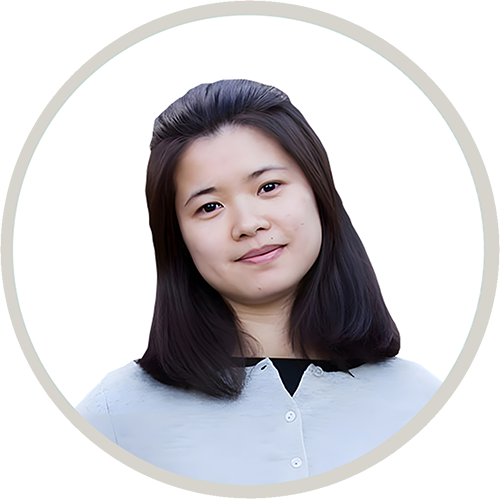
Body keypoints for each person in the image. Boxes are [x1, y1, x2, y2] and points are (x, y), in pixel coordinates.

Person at [76, 79, 441, 485]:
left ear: (320, 193)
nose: (248, 224)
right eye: (209, 206)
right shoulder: (115, 417)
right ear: (176, 238)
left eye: (269, 187)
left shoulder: (423, 403)